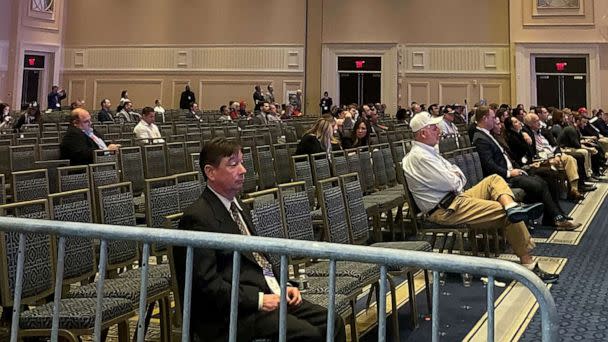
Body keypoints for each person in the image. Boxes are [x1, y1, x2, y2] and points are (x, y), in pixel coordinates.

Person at [172, 138, 346, 342]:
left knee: (332, 322)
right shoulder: (198, 218)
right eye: (233, 164)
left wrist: (282, 286)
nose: (243, 170)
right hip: (229, 314)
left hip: (264, 294)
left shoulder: (239, 207)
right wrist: (259, 300)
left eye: (242, 162)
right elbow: (206, 285)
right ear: (210, 172)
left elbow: (258, 260)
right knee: (308, 335)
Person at [402, 113, 558, 282]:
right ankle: (528, 263)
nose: (438, 130)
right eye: (433, 128)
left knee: (494, 180)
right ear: (423, 133)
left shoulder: (428, 152)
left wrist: (455, 176)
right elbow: (454, 181)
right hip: (445, 209)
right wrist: (455, 175)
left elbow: (457, 178)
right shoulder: (420, 157)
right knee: (507, 216)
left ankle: (511, 206)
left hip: (455, 199)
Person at [473, 106, 579, 230]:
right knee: (540, 184)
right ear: (485, 118)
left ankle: (553, 217)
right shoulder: (480, 138)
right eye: (492, 117)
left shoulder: (488, 135)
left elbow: (508, 157)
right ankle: (556, 219)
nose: (495, 120)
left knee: (550, 175)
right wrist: (509, 173)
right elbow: (489, 165)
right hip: (502, 178)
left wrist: (521, 168)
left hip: (513, 169)